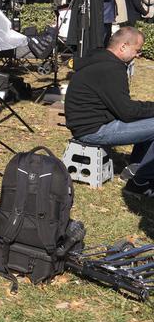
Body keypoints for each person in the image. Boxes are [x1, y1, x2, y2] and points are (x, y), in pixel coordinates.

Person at [65, 27, 154, 197]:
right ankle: (139, 183)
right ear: (123, 47)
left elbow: (125, 108)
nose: (138, 55)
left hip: (87, 124)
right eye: (137, 50)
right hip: (93, 130)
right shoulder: (112, 68)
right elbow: (127, 112)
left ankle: (135, 170)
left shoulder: (99, 60)